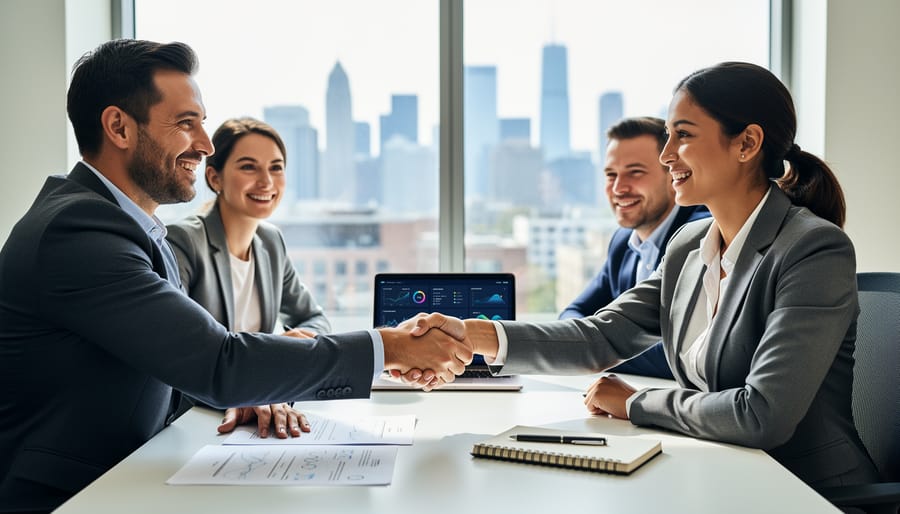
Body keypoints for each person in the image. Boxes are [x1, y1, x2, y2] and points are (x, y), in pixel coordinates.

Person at [0, 39, 468, 513]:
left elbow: (164, 364)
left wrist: (242, 394)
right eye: (186, 124)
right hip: (71, 496)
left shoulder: (129, 226)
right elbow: (217, 361)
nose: (204, 145)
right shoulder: (79, 231)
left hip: (129, 474)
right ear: (118, 126)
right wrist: (389, 347)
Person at [423, 62, 879, 489]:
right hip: (717, 473)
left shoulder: (813, 250)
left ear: (746, 143)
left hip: (804, 491)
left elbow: (761, 413)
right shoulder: (688, 245)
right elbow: (600, 337)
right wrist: (471, 335)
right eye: (667, 136)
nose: (666, 155)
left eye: (682, 135)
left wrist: (635, 403)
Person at [166, 117, 331, 437]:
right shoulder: (184, 242)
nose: (267, 182)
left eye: (276, 167)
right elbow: (178, 358)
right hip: (198, 421)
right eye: (249, 167)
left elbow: (313, 318)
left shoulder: (270, 242)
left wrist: (280, 352)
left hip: (261, 411)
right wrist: (266, 363)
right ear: (215, 177)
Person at [559, 116, 709, 379]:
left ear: (673, 175)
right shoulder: (622, 242)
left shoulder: (700, 237)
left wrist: (593, 350)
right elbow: (571, 316)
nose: (618, 188)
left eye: (635, 172)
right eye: (611, 175)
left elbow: (687, 355)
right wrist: (589, 347)